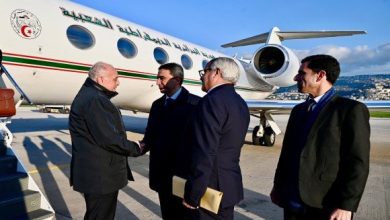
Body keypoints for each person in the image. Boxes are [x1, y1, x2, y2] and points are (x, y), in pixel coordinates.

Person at [271, 54, 370, 220]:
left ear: (321, 75)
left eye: (302, 73)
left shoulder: (350, 110)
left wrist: (345, 206)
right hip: (292, 202)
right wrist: (278, 187)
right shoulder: (298, 111)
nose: (296, 77)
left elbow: (357, 162)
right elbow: (287, 154)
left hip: (325, 204)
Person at [69, 62, 143, 220]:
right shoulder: (95, 99)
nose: (118, 82)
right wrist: (137, 148)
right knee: (101, 216)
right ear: (101, 80)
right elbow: (109, 139)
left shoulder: (90, 95)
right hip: (101, 178)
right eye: (115, 78)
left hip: (96, 176)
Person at [183, 57, 250, 219]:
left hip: (209, 189)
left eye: (205, 72)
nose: (202, 76)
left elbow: (205, 152)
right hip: (228, 185)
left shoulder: (211, 102)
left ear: (216, 73)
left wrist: (193, 194)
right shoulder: (240, 102)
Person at [141, 62, 200, 219]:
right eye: (157, 78)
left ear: (178, 80)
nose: (157, 82)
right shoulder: (157, 105)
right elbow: (150, 135)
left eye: (162, 78)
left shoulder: (196, 105)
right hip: (162, 177)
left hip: (184, 179)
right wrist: (139, 146)